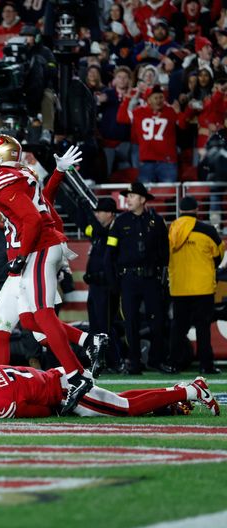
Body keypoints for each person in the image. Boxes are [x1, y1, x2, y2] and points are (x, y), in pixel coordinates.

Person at [0, 135, 93, 415]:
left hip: (38, 250)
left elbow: (34, 219)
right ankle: (85, 347)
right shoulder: (19, 174)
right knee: (29, 319)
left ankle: (76, 375)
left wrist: (23, 255)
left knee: (41, 315)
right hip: (40, 249)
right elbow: (3, 204)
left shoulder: (5, 178)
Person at [0, 360, 220, 418]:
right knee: (118, 400)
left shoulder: (0, 404)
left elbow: (43, 413)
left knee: (124, 408)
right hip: (57, 377)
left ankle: (192, 390)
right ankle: (176, 391)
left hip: (66, 395)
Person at [107, 182, 173, 375]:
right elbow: (110, 253)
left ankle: (156, 360)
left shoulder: (157, 221)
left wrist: (162, 275)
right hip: (128, 280)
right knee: (131, 322)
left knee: (158, 321)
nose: (128, 199)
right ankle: (134, 362)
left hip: (151, 279)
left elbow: (164, 251)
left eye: (132, 196)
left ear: (142, 200)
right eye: (127, 196)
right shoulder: (120, 222)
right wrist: (114, 282)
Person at [168, 196, 224, 374]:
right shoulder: (208, 230)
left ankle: (175, 363)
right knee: (203, 327)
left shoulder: (171, 230)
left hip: (179, 287)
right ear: (196, 209)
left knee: (178, 327)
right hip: (203, 287)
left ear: (180, 209)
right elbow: (219, 256)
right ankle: (205, 365)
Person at [77, 198, 122, 374]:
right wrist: (82, 206)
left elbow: (98, 230)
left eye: (100, 212)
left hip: (106, 285)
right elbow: (82, 224)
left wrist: (87, 211)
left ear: (111, 213)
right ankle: (102, 361)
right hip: (95, 286)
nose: (97, 214)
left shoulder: (114, 231)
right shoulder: (97, 232)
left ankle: (116, 361)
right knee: (96, 326)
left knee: (106, 325)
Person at [117, 84, 181, 183]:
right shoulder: (139, 112)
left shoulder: (170, 111)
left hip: (167, 162)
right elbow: (121, 118)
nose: (159, 100)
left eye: (161, 97)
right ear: (148, 100)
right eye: (155, 98)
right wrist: (127, 99)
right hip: (146, 162)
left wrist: (179, 113)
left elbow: (183, 126)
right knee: (145, 195)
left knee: (168, 194)